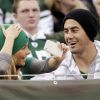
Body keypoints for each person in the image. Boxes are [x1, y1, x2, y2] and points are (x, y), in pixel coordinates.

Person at [31, 9, 100, 80]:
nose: (69, 36)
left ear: (89, 32)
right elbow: (32, 86)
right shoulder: (59, 62)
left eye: (74, 30)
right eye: (66, 31)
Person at [0, 24, 66, 80]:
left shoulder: (25, 63)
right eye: (23, 48)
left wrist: (57, 59)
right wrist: (10, 37)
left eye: (27, 47)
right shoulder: (2, 65)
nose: (28, 52)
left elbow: (45, 66)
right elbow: (2, 69)